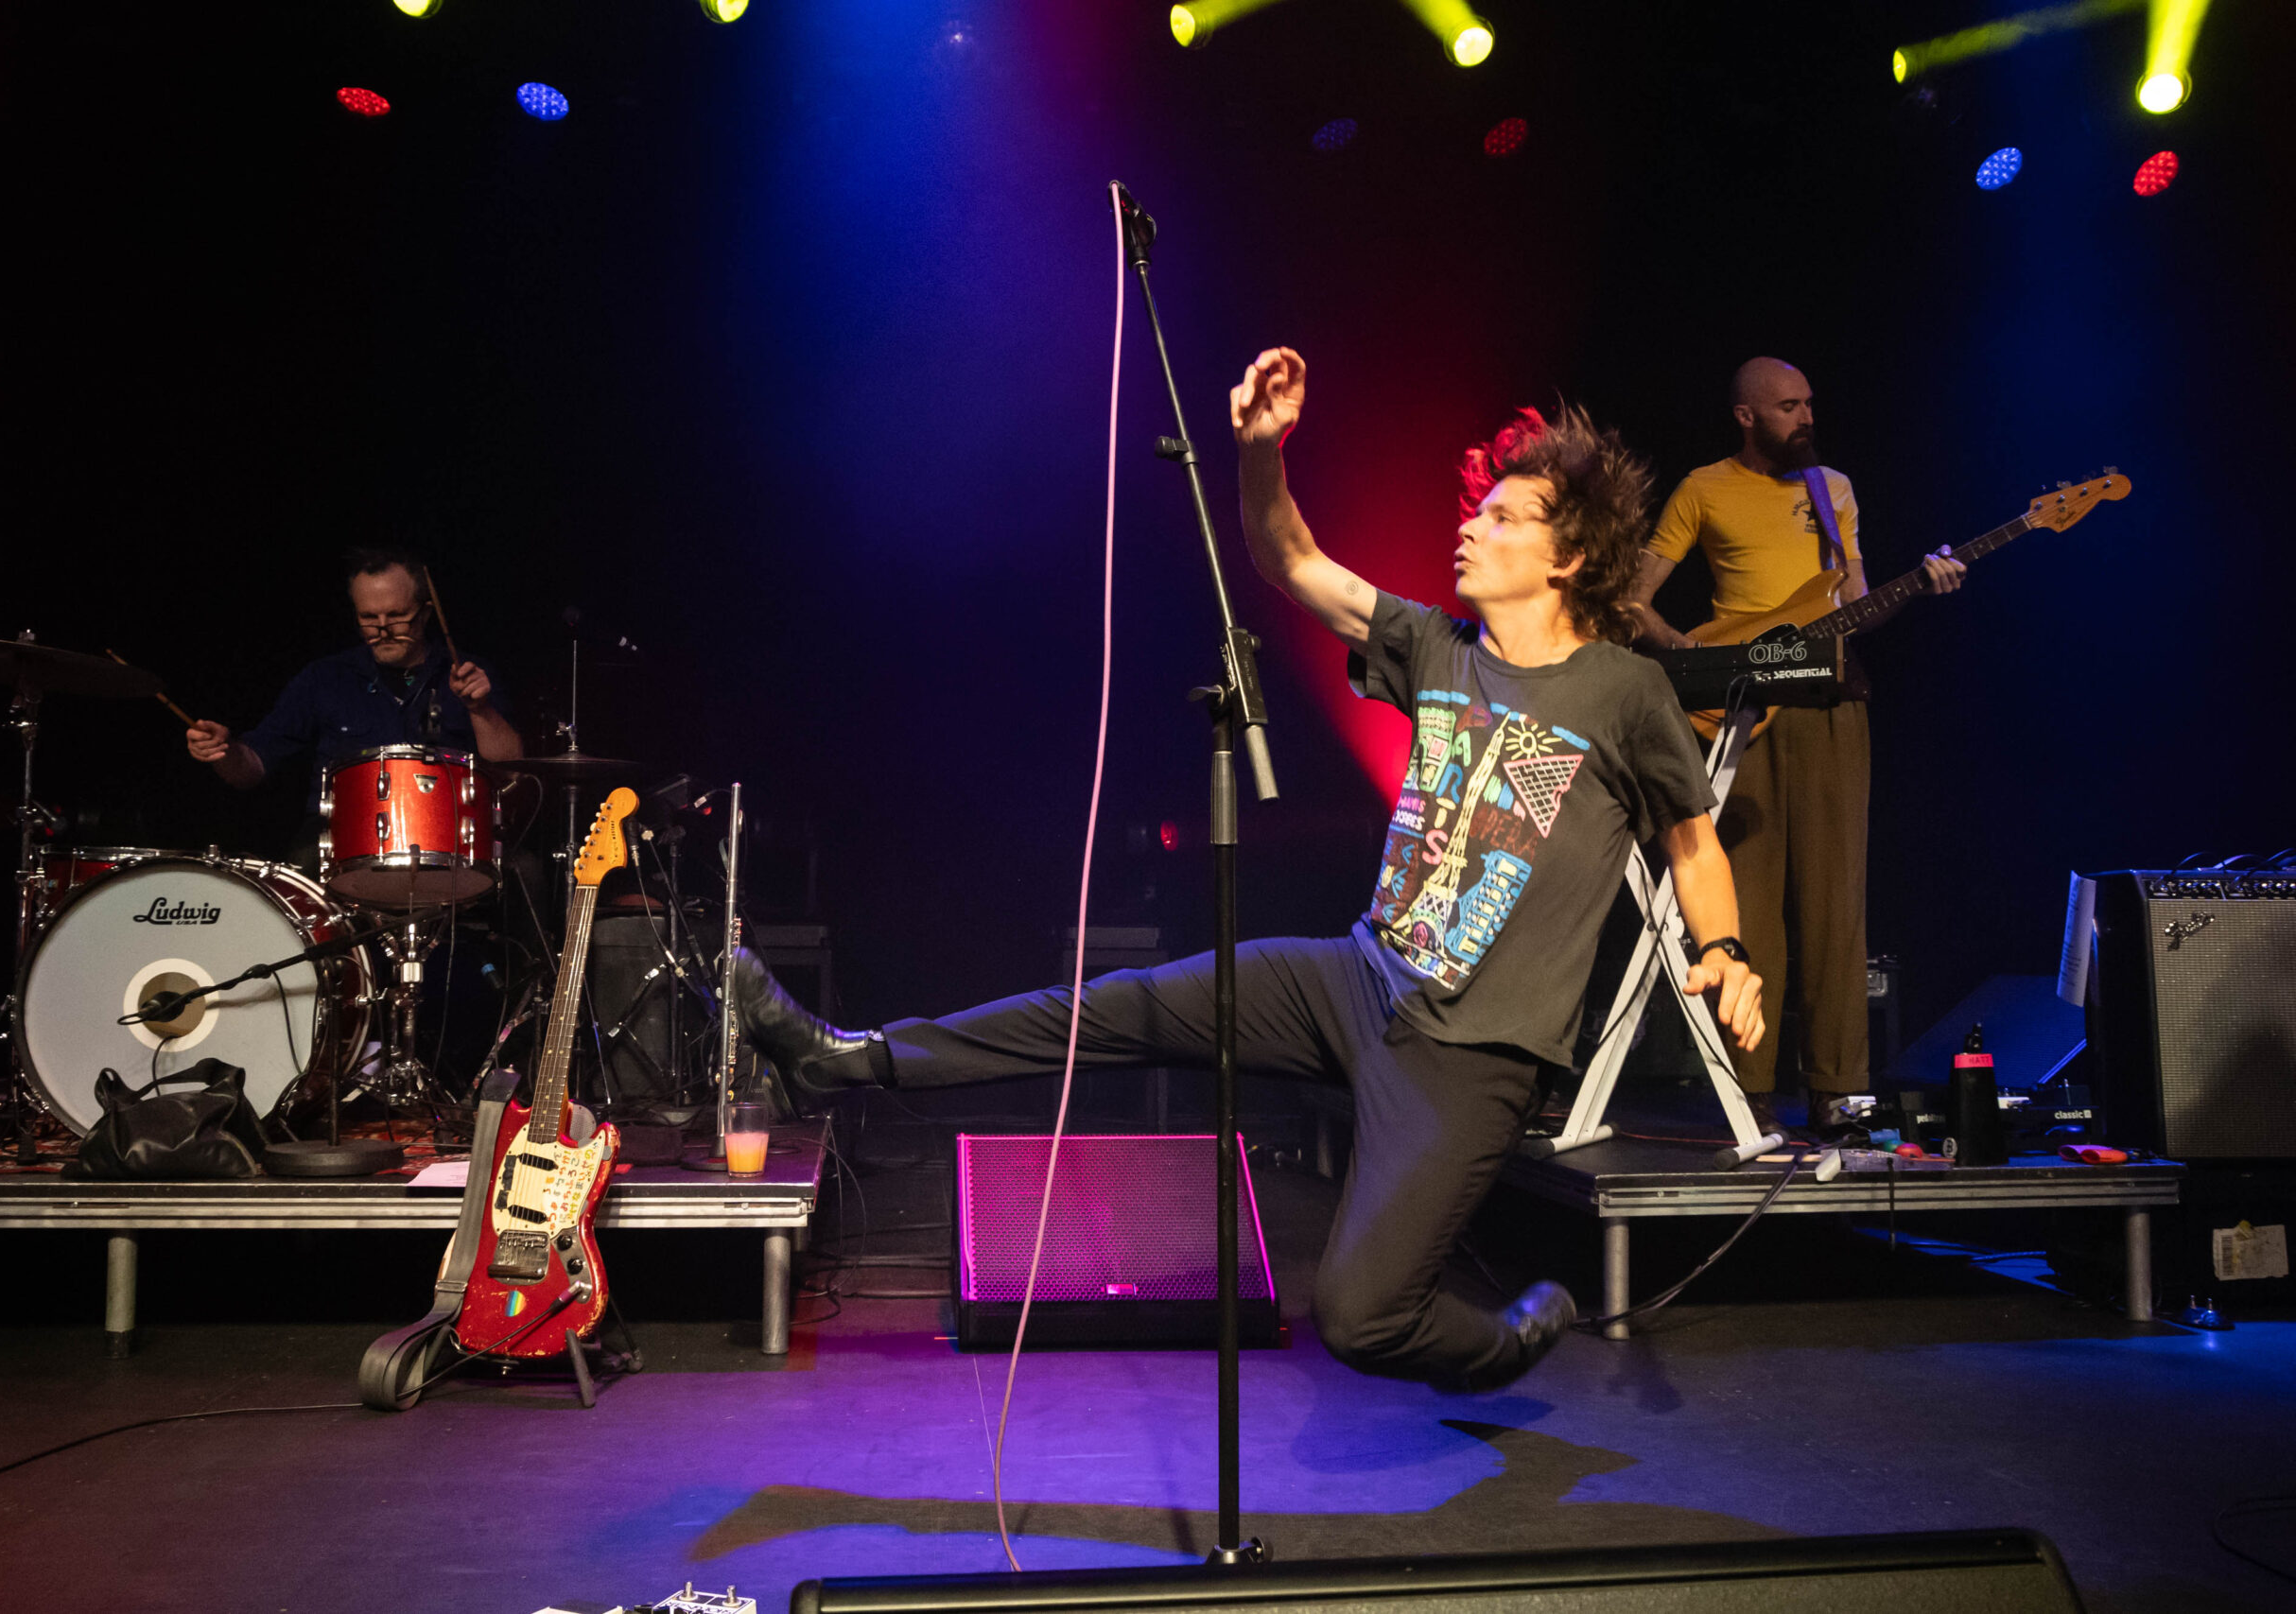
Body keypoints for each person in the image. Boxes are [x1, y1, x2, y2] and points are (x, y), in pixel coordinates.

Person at [734, 348, 1765, 1393]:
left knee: (1361, 1320)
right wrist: (1261, 452)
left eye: (1503, 517)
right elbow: (1291, 560)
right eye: (1479, 511)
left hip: (1475, 1053)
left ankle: (1499, 1349)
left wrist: (1721, 948)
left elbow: (1691, 839)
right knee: (1108, 1008)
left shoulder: (1623, 692)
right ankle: (845, 1059)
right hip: (1358, 980)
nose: (1471, 526)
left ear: (1569, 556)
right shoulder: (1434, 647)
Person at [1626, 357, 1962, 1129]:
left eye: (1809, 402)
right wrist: (1691, 660)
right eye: (1787, 406)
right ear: (1746, 416)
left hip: (1832, 700)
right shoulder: (1704, 488)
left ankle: (1838, 1088)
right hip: (1742, 709)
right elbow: (1632, 599)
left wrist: (1922, 583)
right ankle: (1747, 1090)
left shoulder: (1832, 488)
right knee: (1746, 897)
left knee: (1836, 898)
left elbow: (1856, 602)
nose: (1805, 417)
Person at [185, 548, 524, 824]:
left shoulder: (466, 673)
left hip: (447, 841)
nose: (382, 629)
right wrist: (224, 751)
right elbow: (253, 767)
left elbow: (511, 772)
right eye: (368, 618)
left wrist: (480, 709)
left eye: (395, 615)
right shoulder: (325, 677)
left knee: (525, 872)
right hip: (341, 844)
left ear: (425, 614)